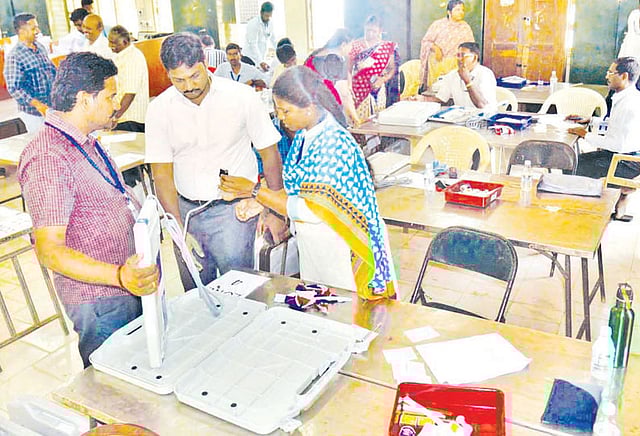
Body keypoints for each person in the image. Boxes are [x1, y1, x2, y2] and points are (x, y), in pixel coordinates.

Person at [17, 52, 159, 368]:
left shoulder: (85, 141)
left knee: (136, 373)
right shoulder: (49, 158)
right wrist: (119, 276)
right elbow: (50, 251)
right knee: (113, 383)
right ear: (84, 100)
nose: (116, 104)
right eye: (110, 96)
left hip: (123, 285)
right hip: (100, 299)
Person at [220, 66, 397, 300]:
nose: (280, 117)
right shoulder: (305, 135)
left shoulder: (332, 144)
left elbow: (311, 209)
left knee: (349, 313)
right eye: (277, 110)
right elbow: (299, 189)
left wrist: (255, 191)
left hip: (343, 247)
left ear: (310, 107)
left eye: (286, 110)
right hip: (318, 245)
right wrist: (262, 204)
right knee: (325, 307)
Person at [145, 33, 285, 288]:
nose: (189, 86)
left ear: (205, 63)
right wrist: (177, 229)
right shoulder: (159, 109)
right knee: (196, 291)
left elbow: (270, 154)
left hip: (234, 212)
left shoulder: (242, 97)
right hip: (185, 212)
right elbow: (161, 174)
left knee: (240, 289)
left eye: (195, 76)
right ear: (168, 75)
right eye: (179, 80)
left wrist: (275, 210)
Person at [569, 57, 640, 222]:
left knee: (573, 165)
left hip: (626, 161)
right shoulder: (628, 97)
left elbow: (618, 144)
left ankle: (580, 214)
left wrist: (585, 134)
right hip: (625, 155)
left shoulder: (629, 106)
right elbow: (616, 125)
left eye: (611, 73)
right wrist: (591, 120)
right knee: (576, 161)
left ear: (624, 76)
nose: (607, 76)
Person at [3, 13, 57, 133]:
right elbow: (14, 88)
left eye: (37, 27)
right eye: (33, 28)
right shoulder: (15, 56)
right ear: (21, 31)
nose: (38, 31)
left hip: (51, 109)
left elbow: (52, 72)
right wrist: (38, 105)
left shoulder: (40, 47)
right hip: (33, 115)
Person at [349, 15, 400, 120]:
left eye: (374, 31)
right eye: (368, 30)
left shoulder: (386, 47)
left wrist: (382, 80)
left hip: (378, 88)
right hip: (359, 90)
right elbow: (347, 70)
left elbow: (392, 69)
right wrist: (357, 70)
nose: (370, 34)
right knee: (360, 122)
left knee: (378, 121)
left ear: (380, 30)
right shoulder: (355, 46)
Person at [417, 42, 496, 109]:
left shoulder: (485, 74)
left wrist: (467, 81)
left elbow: (482, 105)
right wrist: (422, 99)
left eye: (463, 55)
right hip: (462, 117)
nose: (459, 59)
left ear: (474, 58)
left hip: (485, 118)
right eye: (458, 55)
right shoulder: (452, 75)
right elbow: (441, 99)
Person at [304, 29, 359, 125]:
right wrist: (356, 119)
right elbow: (344, 94)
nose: (351, 49)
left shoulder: (314, 55)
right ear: (343, 45)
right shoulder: (337, 60)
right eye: (351, 45)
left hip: (311, 109)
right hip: (329, 111)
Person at [419, 0, 474, 90]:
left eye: (462, 10)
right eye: (458, 10)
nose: (461, 12)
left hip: (455, 66)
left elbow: (471, 48)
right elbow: (426, 42)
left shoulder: (465, 27)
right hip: (437, 64)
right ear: (449, 12)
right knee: (436, 90)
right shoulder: (438, 25)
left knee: (453, 90)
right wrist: (436, 48)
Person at [108, 25, 149, 133]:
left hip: (131, 119)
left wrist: (115, 117)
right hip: (123, 116)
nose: (110, 46)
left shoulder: (133, 58)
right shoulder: (120, 56)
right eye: (109, 42)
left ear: (125, 42)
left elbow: (130, 93)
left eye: (113, 43)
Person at [244, 1, 277, 72]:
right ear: (261, 13)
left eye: (269, 16)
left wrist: (280, 51)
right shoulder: (253, 24)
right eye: (266, 16)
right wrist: (260, 62)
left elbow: (273, 39)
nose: (268, 18)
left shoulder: (270, 23)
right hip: (249, 58)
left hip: (260, 58)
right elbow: (253, 44)